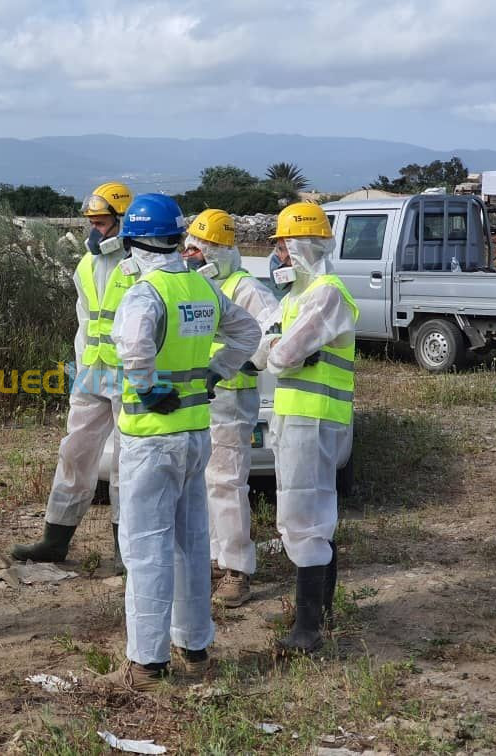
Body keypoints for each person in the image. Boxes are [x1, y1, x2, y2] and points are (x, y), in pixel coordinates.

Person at [103, 194, 261, 692]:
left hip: (151, 440)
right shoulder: (202, 286)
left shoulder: (144, 293)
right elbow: (248, 331)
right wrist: (215, 373)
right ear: (176, 238)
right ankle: (194, 650)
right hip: (195, 437)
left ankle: (147, 664)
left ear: (132, 241)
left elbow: (132, 349)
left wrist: (150, 390)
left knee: (145, 548)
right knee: (192, 544)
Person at [250, 202, 358, 655]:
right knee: (312, 515)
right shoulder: (296, 296)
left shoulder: (326, 293)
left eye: (283, 246)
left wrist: (278, 348)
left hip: (312, 420)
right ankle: (319, 612)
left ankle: (308, 628)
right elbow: (262, 348)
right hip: (295, 418)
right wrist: (276, 347)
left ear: (306, 246)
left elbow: (280, 356)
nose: (278, 255)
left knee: (303, 517)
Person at [10, 182, 134, 568]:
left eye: (100, 223)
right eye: (91, 223)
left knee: (124, 464)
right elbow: (85, 321)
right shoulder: (86, 265)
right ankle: (55, 538)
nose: (94, 231)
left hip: (130, 376)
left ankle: (124, 550)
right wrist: (80, 368)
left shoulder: (140, 267)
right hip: (91, 373)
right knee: (75, 453)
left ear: (122, 222)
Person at [181, 209, 279, 608]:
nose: (190, 257)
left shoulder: (245, 288)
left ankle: (237, 569)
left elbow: (269, 334)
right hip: (200, 401)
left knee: (226, 484)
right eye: (187, 248)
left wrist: (236, 363)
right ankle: (213, 563)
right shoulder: (192, 287)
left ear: (219, 251)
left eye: (198, 250)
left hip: (231, 399)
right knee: (202, 486)